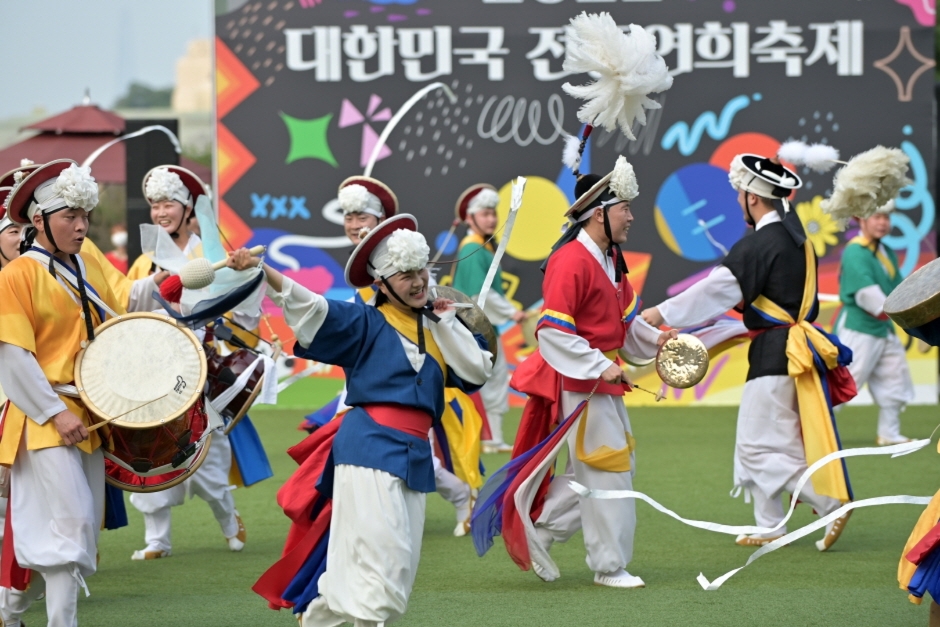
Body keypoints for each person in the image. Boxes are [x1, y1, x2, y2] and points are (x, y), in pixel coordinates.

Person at [249, 214, 493, 625]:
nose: (417, 282)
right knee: (385, 569)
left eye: (421, 271)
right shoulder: (363, 321)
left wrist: (447, 320)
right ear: (380, 283)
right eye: (404, 275)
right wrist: (263, 270)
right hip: (368, 449)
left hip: (414, 455)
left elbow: (476, 371)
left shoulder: (437, 328)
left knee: (394, 570)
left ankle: (319, 617)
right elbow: (310, 305)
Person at [478, 157, 674, 589]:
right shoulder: (570, 260)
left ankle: (542, 531)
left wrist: (656, 340)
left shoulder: (609, 258)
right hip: (583, 383)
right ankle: (608, 566)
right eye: (625, 207)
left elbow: (625, 324)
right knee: (606, 469)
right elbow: (552, 332)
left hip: (597, 380)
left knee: (596, 469)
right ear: (600, 212)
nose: (632, 215)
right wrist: (602, 365)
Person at [642, 153, 854, 549]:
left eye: (740, 195)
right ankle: (771, 524)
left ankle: (830, 503)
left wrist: (662, 311)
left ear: (753, 198)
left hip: (776, 355)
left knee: (756, 448)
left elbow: (715, 289)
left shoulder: (762, 242)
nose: (739, 201)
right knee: (777, 444)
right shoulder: (798, 241)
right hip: (793, 351)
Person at [304, 176, 484, 537]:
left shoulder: (408, 270)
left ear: (381, 220)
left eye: (363, 217)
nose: (355, 225)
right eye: (349, 217)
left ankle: (460, 496)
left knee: (418, 455)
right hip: (369, 387)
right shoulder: (369, 275)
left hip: (419, 380)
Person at [0, 160, 125, 627]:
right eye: (70, 216)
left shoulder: (84, 262)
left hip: (89, 416)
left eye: (85, 216)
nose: (81, 226)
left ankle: (7, 612)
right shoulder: (16, 276)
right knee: (69, 530)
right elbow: (13, 357)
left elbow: (124, 306)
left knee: (76, 535)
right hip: (44, 421)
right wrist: (54, 412)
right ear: (39, 221)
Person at [125, 165, 250, 560]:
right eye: (154, 205)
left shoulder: (208, 252)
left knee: (207, 447)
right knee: (147, 446)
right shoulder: (145, 260)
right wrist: (154, 283)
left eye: (168, 204)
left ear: (187, 210)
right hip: (152, 369)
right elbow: (126, 304)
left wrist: (240, 269)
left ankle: (230, 522)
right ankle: (157, 539)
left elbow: (237, 301)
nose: (161, 212)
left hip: (200, 366)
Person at [452, 184, 525, 454]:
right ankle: (488, 437)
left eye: (493, 213)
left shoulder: (480, 247)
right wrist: (511, 312)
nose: (491, 219)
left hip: (479, 324)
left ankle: (491, 436)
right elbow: (477, 293)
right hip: (473, 325)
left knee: (490, 377)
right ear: (471, 218)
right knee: (489, 377)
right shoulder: (472, 249)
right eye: (485, 214)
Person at [836, 201, 913, 445]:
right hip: (860, 328)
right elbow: (871, 299)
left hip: (883, 327)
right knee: (843, 383)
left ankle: (889, 433)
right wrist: (911, 317)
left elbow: (899, 290)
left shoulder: (885, 251)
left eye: (886, 218)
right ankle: (812, 434)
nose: (882, 223)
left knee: (895, 377)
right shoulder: (855, 251)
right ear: (861, 219)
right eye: (877, 217)